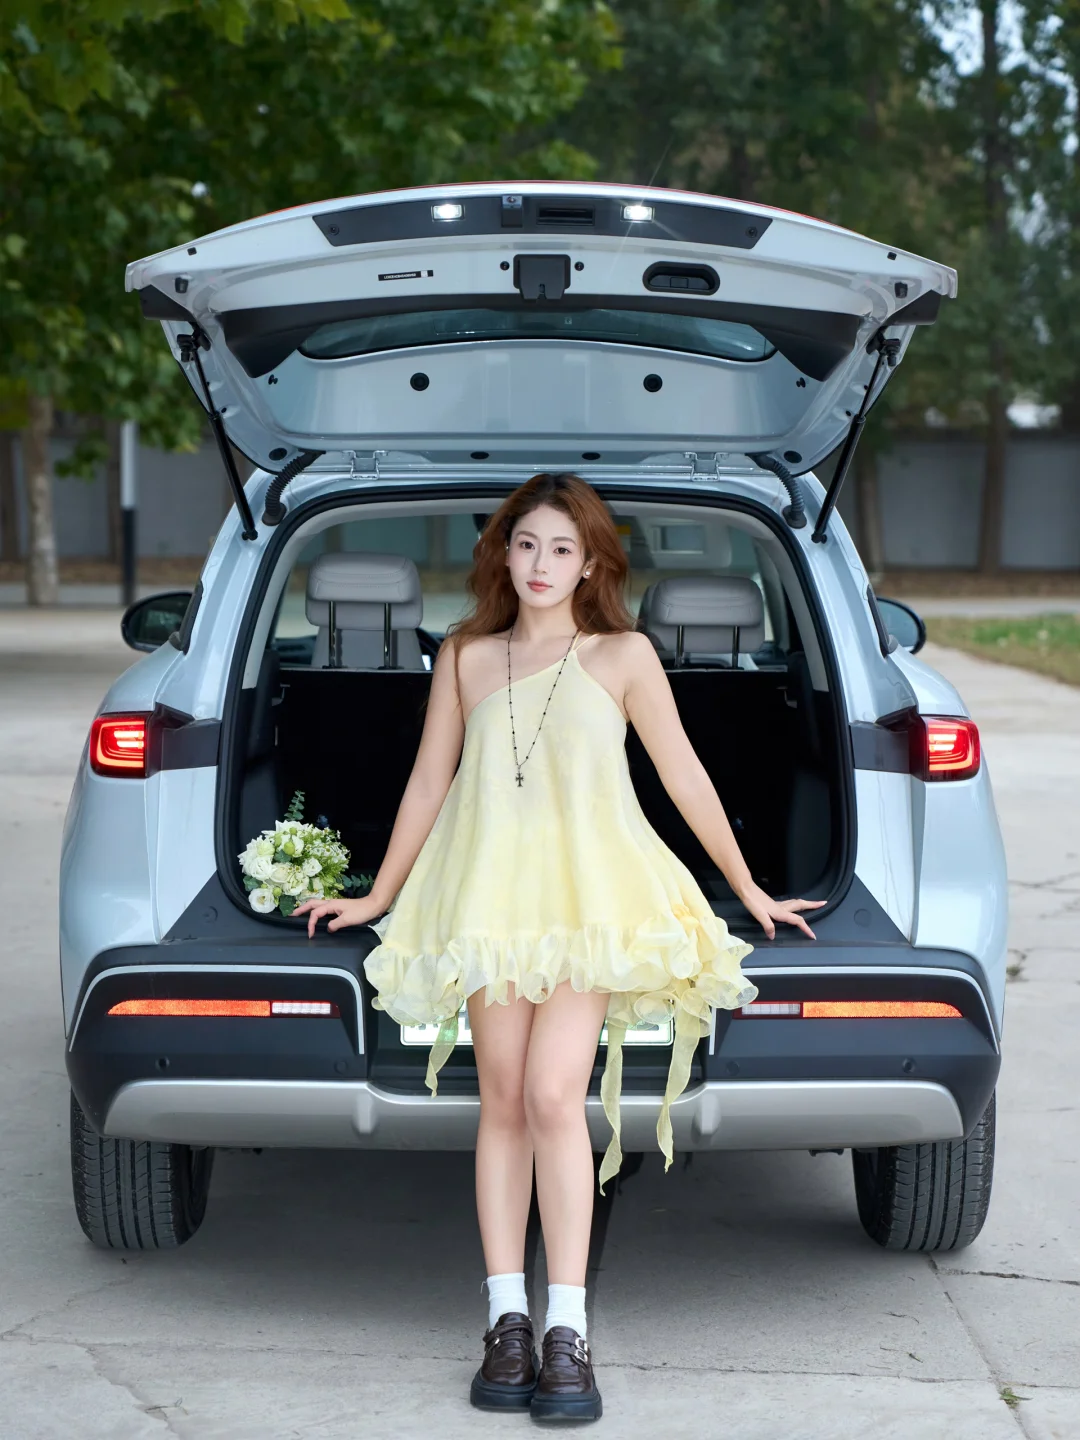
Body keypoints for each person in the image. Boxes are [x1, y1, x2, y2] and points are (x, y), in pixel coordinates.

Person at [294, 473, 824, 1422]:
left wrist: (747, 889)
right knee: (501, 1098)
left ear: (591, 565)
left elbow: (683, 774)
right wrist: (378, 894)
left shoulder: (623, 655)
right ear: (503, 552)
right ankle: (506, 1322)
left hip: (588, 900)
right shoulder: (464, 655)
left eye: (563, 549)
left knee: (550, 1096)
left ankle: (568, 1330)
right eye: (527, 544)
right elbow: (429, 781)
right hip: (491, 899)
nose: (541, 564)